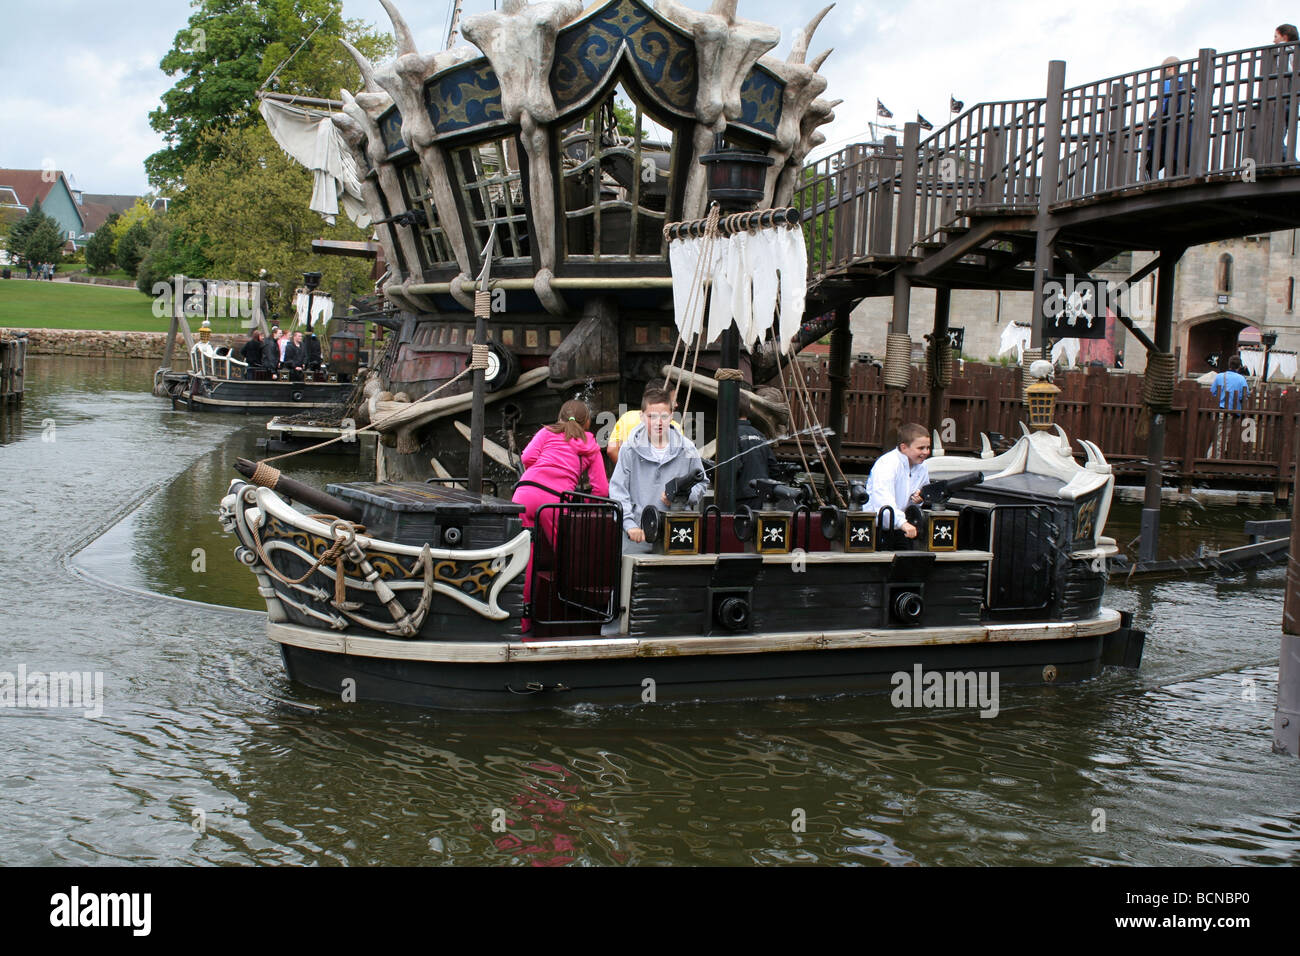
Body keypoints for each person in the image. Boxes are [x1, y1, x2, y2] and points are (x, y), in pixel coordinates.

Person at [511, 400, 609, 634]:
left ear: (560, 418)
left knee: (522, 560)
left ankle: (520, 620)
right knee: (570, 559)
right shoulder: (590, 445)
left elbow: (526, 458)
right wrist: (581, 508)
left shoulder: (546, 432)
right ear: (587, 422)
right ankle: (574, 615)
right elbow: (601, 491)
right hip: (555, 500)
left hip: (525, 492)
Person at [609, 387, 708, 554]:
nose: (658, 422)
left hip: (677, 535)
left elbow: (702, 483)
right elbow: (618, 490)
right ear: (642, 417)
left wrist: (680, 498)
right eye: (651, 416)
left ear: (671, 416)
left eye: (663, 416)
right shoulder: (628, 449)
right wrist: (629, 525)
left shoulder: (687, 448)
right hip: (637, 537)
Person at [865, 423, 932, 540]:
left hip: (902, 527)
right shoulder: (887, 464)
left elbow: (922, 493)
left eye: (927, 447)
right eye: (921, 448)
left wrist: (920, 498)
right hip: (876, 530)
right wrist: (902, 523)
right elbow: (883, 500)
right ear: (904, 447)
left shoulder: (922, 466)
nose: (926, 452)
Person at [605, 378, 681, 463]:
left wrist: (627, 471)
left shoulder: (627, 417)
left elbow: (611, 450)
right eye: (673, 400)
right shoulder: (675, 427)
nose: (676, 404)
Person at [1145, 56, 1191, 178]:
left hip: (1168, 132)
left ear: (1170, 68)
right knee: (1175, 165)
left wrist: (1153, 118)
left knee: (1149, 166)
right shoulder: (1188, 83)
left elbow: (1163, 106)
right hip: (1185, 133)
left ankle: (1151, 182)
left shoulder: (1168, 83)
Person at [735, 390, 777, 510]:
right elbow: (773, 467)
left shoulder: (731, 435)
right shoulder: (760, 435)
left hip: (741, 498)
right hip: (762, 496)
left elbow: (734, 467)